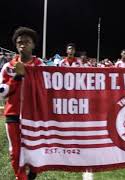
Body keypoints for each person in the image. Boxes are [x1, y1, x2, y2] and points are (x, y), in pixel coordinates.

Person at [0, 27, 45, 180]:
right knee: (15, 151)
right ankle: (21, 177)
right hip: (13, 113)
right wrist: (17, 77)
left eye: (27, 42)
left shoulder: (41, 65)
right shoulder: (8, 66)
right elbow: (2, 92)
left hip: (35, 113)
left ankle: (32, 172)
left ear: (33, 45)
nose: (22, 45)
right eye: (19, 42)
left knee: (34, 147)